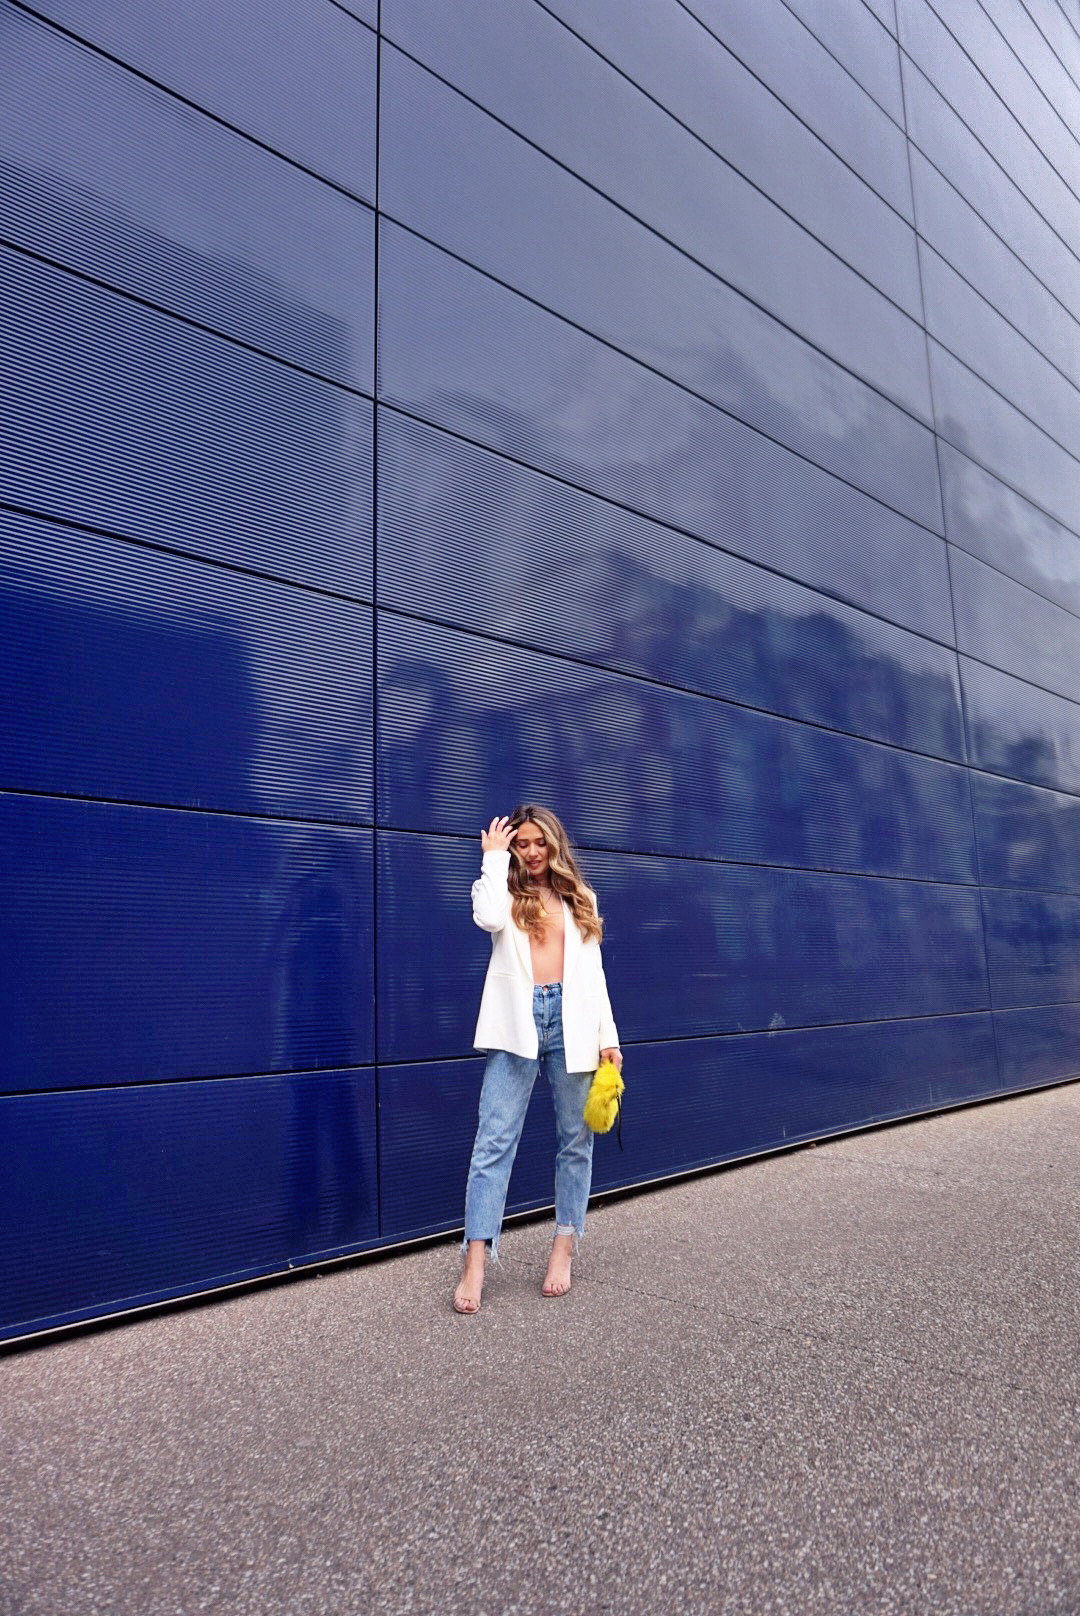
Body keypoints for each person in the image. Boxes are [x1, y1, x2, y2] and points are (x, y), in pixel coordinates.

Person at [454, 804, 622, 1314]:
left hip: (573, 1022)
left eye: (537, 843)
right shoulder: (503, 894)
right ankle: (475, 1262)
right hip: (517, 1022)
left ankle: (564, 1247)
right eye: (521, 843)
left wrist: (608, 1038)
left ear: (554, 844)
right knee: (493, 1141)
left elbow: (595, 979)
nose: (530, 852)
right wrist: (491, 857)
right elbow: (484, 917)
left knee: (575, 1141)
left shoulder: (581, 898)